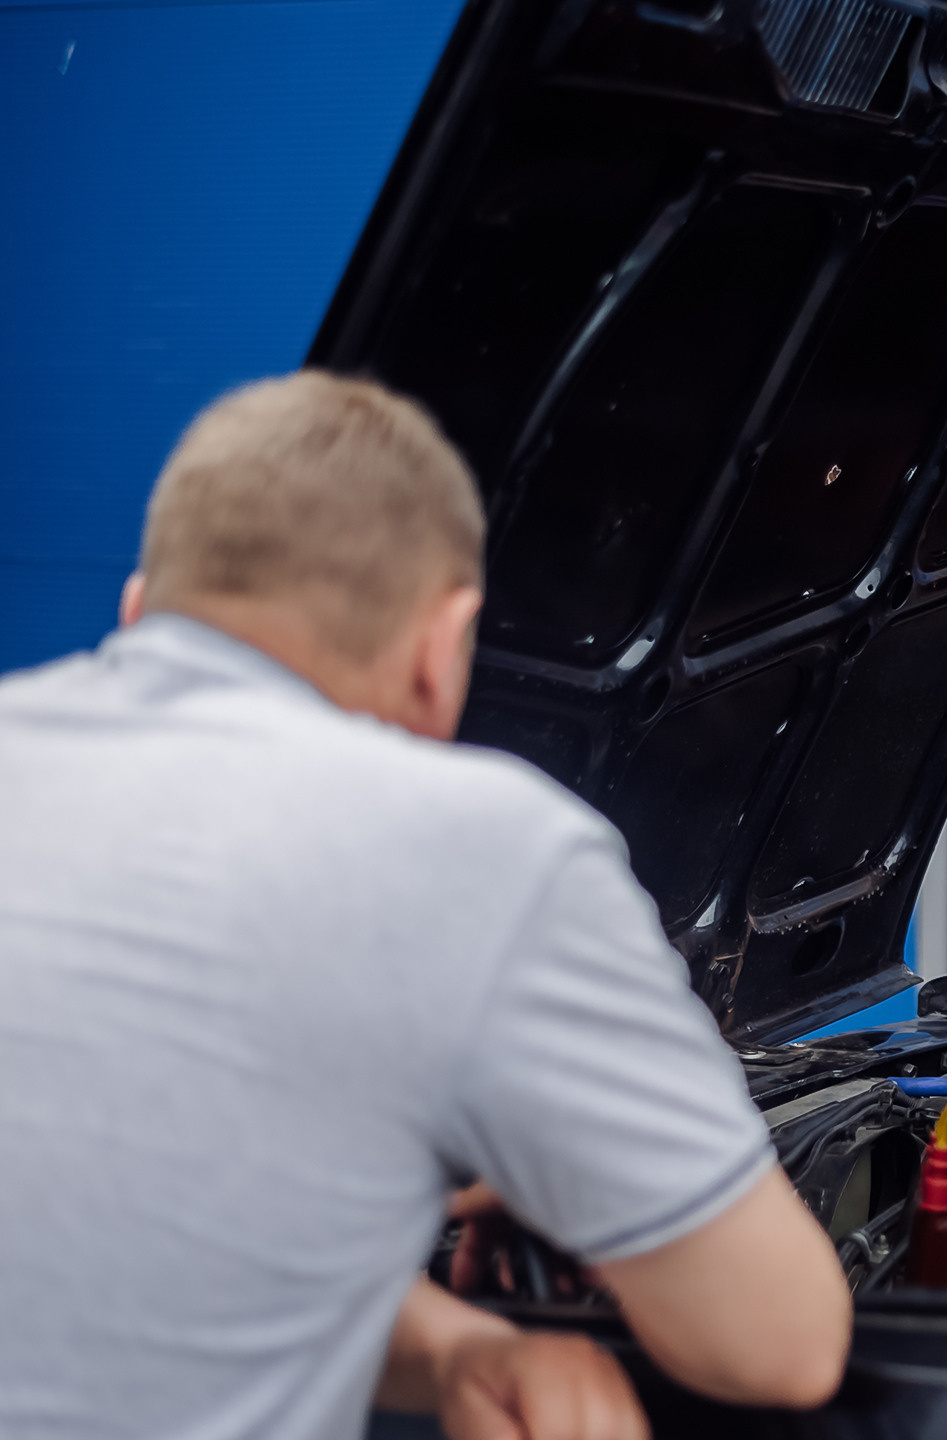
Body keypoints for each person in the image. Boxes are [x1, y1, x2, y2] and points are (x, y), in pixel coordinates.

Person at [0, 373, 850, 1440]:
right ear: (442, 648)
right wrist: (573, 1183)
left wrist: (452, 1347)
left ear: (139, 611)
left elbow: (104, 1217)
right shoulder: (490, 850)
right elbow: (779, 1345)